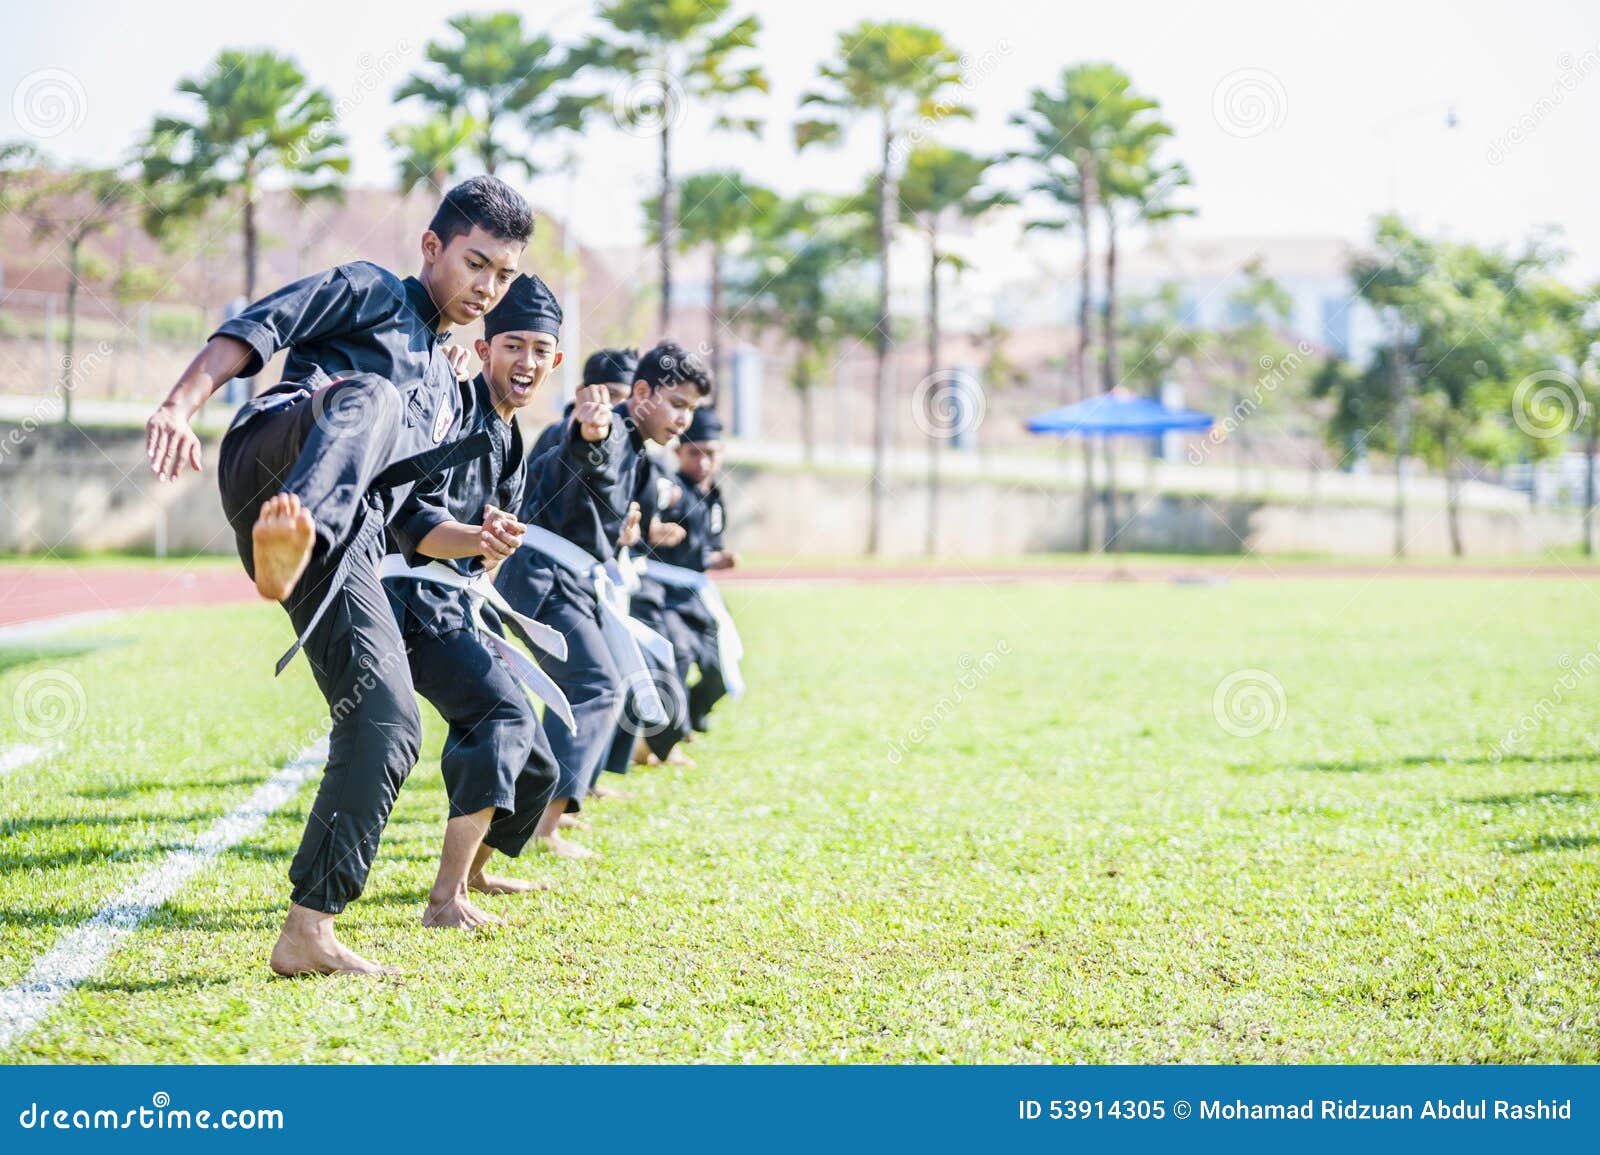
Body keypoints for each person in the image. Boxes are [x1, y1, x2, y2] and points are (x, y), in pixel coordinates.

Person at [142, 175, 534, 976]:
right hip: (275, 456)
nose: (487, 288)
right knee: (372, 399)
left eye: (504, 276)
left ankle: (308, 930)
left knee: (389, 723)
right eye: (475, 263)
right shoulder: (367, 292)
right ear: (432, 248)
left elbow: (414, 525)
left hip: (342, 537)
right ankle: (294, 527)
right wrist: (181, 405)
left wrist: (480, 538)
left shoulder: (448, 394)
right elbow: (259, 326)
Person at [383, 272, 568, 931]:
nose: (525, 362)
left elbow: (481, 538)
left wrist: (492, 543)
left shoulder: (510, 434)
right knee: (501, 717)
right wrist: (476, 537)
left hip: (457, 604)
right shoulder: (458, 411)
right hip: (410, 605)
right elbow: (415, 524)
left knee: (539, 758)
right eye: (511, 345)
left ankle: (480, 870)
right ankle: (444, 900)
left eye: (538, 349)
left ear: (556, 360)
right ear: (485, 349)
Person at [495, 341, 710, 858]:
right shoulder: (613, 432)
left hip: (566, 578)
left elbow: (593, 500)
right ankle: (543, 824)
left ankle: (556, 804)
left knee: (599, 681)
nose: (684, 419)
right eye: (677, 404)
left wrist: (625, 532)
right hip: (542, 578)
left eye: (691, 410)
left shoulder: (635, 444)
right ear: (641, 393)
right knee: (594, 683)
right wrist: (591, 434)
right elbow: (590, 455)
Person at [527, 348, 638, 463]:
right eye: (611, 394)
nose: (621, 405)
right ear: (581, 392)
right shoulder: (553, 438)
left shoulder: (632, 443)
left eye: (629, 398)